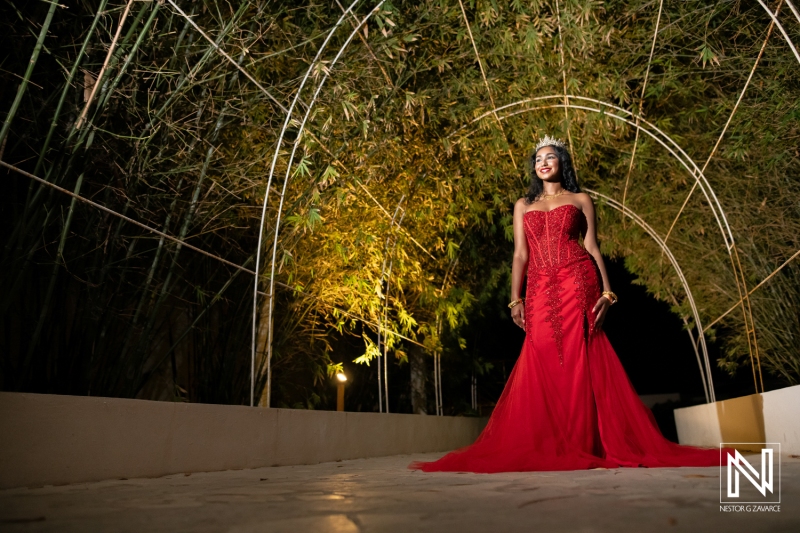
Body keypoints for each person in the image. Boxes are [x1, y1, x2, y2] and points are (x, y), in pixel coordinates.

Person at [410, 136, 730, 473]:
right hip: (538, 287)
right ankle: (552, 440)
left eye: (550, 157)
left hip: (577, 280)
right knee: (543, 352)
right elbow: (520, 253)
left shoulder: (580, 199)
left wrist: (608, 291)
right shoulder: (523, 204)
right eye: (538, 159)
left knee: (579, 353)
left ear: (563, 162)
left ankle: (583, 442)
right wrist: (514, 297)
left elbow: (591, 245)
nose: (543, 162)